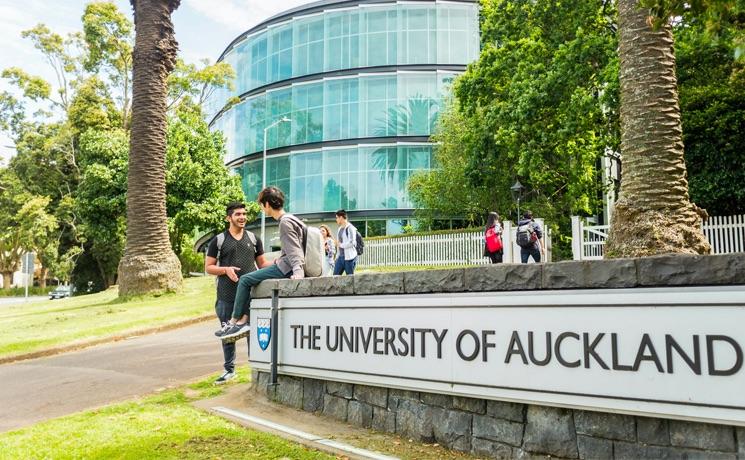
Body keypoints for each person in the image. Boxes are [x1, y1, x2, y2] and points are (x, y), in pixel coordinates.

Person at [216, 186, 306, 341]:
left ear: (267, 205)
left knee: (245, 279)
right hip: (284, 264)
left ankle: (233, 322)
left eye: (262, 206)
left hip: (286, 268)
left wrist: (298, 272)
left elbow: (295, 251)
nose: (262, 209)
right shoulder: (293, 219)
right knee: (253, 280)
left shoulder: (284, 222)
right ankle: (243, 321)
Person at [205, 202, 270, 384]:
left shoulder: (254, 238)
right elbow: (209, 267)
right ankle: (229, 370)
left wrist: (280, 263)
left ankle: (255, 369)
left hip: (250, 296)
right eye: (238, 214)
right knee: (228, 335)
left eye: (244, 214)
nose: (242, 217)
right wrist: (225, 270)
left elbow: (262, 264)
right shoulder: (218, 240)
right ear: (229, 218)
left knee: (252, 334)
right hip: (226, 295)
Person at [333, 209, 358, 275]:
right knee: (335, 277)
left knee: (349, 279)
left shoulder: (350, 228)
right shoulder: (339, 229)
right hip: (340, 258)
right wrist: (337, 256)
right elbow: (339, 243)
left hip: (349, 258)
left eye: (337, 218)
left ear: (341, 217)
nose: (336, 220)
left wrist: (340, 244)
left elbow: (352, 243)